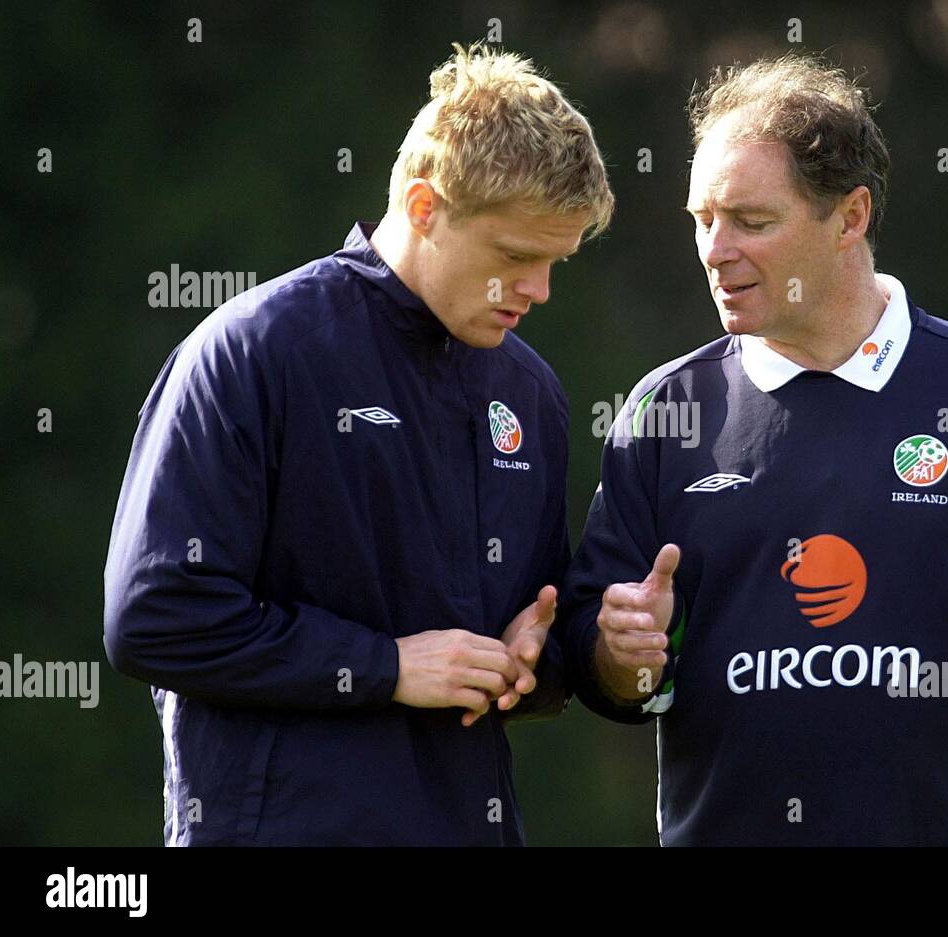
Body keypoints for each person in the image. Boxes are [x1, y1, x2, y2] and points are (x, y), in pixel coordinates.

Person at [560, 53, 948, 846]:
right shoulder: (665, 411)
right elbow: (612, 668)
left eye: (752, 220)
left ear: (850, 217)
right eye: (702, 218)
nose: (714, 249)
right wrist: (619, 649)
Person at [103, 43, 613, 845]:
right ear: (421, 206)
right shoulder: (254, 351)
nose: (538, 290)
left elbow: (520, 642)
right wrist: (390, 667)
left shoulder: (532, 394)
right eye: (515, 257)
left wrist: (534, 661)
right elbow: (154, 615)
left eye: (556, 261)